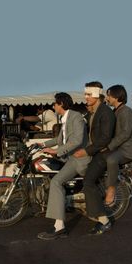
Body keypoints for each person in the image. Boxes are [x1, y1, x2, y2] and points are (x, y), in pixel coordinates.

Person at [37, 92, 91, 240]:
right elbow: (59, 139)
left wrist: (56, 151)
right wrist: (42, 144)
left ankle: (59, 227)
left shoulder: (76, 117)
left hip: (78, 158)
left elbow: (77, 140)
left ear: (61, 104)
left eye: (55, 103)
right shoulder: (65, 118)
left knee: (56, 182)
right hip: (70, 157)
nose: (53, 106)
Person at [73, 81, 116, 235]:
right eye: (85, 94)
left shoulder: (106, 112)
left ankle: (104, 221)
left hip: (104, 154)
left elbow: (105, 138)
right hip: (96, 151)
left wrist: (87, 151)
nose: (86, 97)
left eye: (89, 94)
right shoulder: (94, 111)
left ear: (98, 94)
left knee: (88, 182)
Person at [102, 85, 132, 206]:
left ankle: (111, 189)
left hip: (126, 149)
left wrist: (108, 146)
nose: (107, 98)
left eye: (109, 95)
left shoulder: (126, 111)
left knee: (111, 160)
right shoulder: (115, 111)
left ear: (116, 97)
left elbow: (125, 134)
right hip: (117, 148)